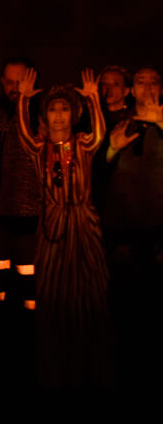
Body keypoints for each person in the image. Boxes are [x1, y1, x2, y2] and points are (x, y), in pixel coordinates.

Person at [14, 68, 110, 387]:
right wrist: (23, 100)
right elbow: (24, 135)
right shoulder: (40, 148)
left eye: (64, 109)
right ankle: (54, 367)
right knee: (53, 289)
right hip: (52, 225)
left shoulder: (83, 144)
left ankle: (92, 364)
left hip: (84, 223)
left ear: (74, 115)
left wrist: (93, 99)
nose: (58, 115)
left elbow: (99, 135)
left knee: (90, 289)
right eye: (53, 109)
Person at [103, 65, 163, 381]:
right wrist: (112, 149)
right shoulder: (118, 123)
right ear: (132, 89)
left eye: (154, 82)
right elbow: (98, 175)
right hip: (123, 234)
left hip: (159, 237)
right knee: (124, 312)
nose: (147, 87)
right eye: (141, 81)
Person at [0, 58, 41, 343]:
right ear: (2, 83)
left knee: (32, 292)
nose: (15, 87)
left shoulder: (43, 115)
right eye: (10, 82)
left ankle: (33, 342)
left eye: (21, 81)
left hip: (31, 220)